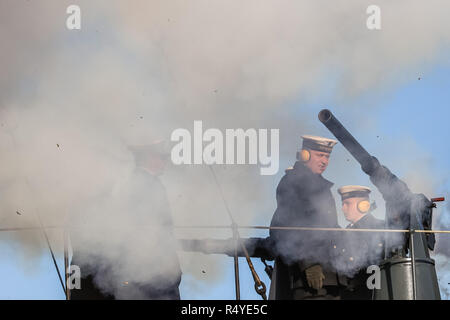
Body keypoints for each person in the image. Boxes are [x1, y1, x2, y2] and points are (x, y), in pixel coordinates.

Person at [70, 140, 182, 300]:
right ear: (149, 157)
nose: (165, 161)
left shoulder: (102, 187)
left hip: (98, 275)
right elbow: (158, 233)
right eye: (162, 156)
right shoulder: (150, 185)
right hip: (139, 276)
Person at [269, 135, 346, 300]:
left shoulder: (322, 187)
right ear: (305, 154)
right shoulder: (292, 182)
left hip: (330, 279)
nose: (324, 161)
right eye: (320, 155)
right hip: (308, 282)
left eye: (327, 156)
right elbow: (290, 225)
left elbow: (330, 228)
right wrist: (309, 263)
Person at [333, 185, 384, 300]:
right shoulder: (345, 232)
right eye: (342, 204)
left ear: (363, 206)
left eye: (347, 204)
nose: (343, 208)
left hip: (369, 293)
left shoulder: (380, 228)